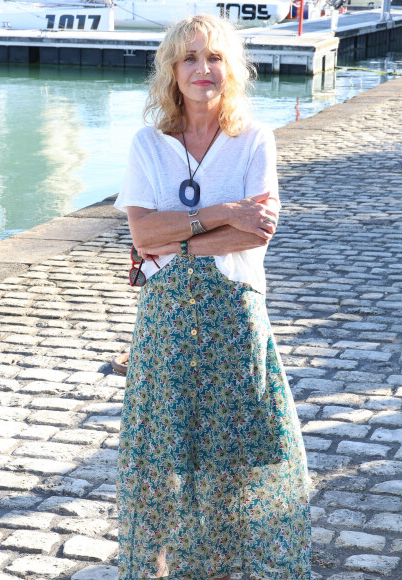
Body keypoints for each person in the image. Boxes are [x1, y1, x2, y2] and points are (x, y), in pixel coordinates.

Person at [114, 14, 311, 580]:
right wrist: (222, 213)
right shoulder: (147, 145)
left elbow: (258, 232)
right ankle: (164, 567)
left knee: (234, 455)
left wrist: (179, 237)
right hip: (166, 319)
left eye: (215, 57)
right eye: (191, 58)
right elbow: (142, 235)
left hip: (235, 313)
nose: (204, 69)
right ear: (172, 72)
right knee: (166, 448)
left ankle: (221, 570)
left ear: (232, 68)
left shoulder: (253, 139)